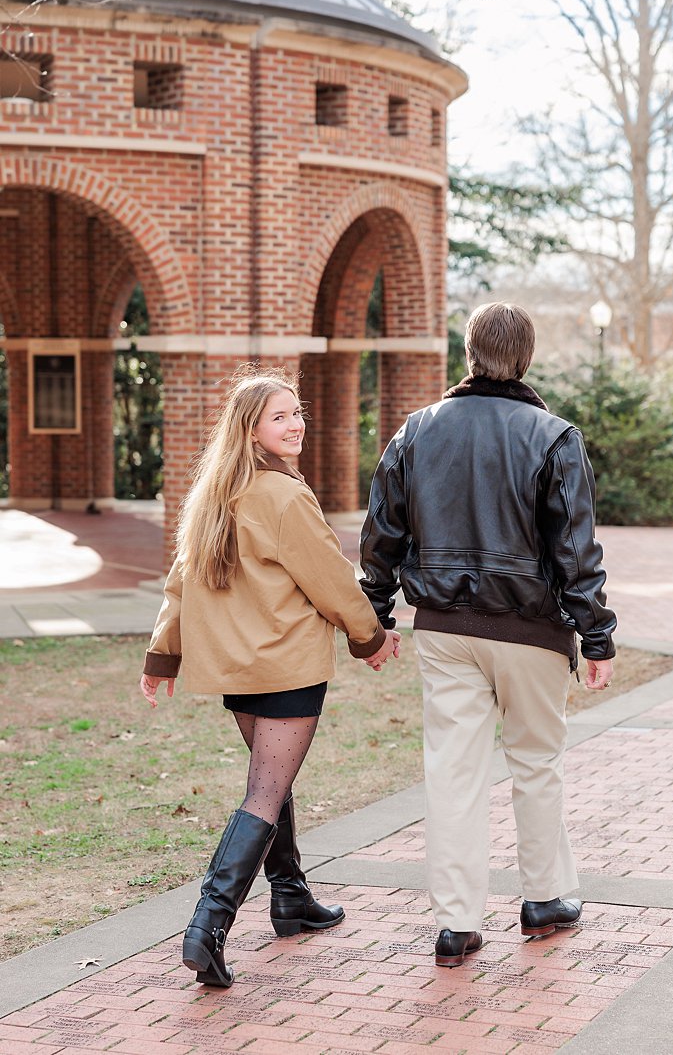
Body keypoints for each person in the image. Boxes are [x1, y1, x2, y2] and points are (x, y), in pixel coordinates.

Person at [360, 301, 617, 968]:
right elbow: (575, 551)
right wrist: (597, 636)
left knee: (453, 772)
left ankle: (456, 923)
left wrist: (376, 617)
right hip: (531, 630)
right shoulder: (554, 436)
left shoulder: (414, 432)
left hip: (443, 629)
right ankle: (546, 898)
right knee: (536, 765)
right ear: (525, 358)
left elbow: (382, 537)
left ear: (468, 354)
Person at [139, 367, 400, 988]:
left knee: (270, 779)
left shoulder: (213, 493)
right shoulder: (284, 496)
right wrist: (370, 637)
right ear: (251, 430)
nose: (296, 425)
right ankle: (209, 924)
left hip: (240, 667)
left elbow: (179, 583)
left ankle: (291, 898)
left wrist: (162, 655)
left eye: (297, 413)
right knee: (264, 791)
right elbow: (331, 578)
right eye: (280, 416)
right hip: (284, 663)